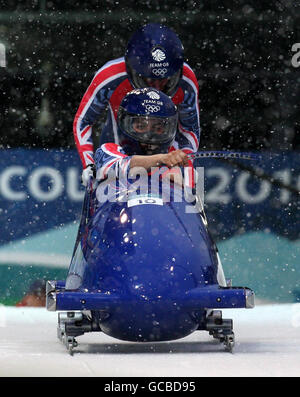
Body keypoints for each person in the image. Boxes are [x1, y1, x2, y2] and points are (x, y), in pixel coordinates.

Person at [73, 23, 200, 186]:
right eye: (141, 125)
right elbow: (83, 120)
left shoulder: (186, 82)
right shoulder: (109, 77)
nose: (156, 87)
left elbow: (189, 129)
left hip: (167, 160)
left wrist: (185, 161)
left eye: (158, 127)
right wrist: (89, 165)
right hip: (118, 158)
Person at [94, 87, 195, 188]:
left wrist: (180, 180)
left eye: (158, 128)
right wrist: (161, 159)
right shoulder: (108, 150)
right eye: (141, 127)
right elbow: (117, 167)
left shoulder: (176, 160)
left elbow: (190, 199)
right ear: (125, 124)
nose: (149, 135)